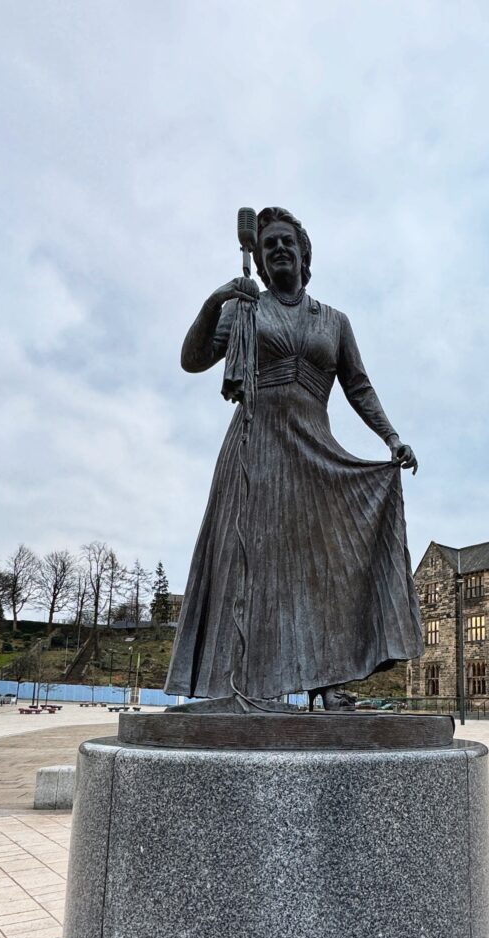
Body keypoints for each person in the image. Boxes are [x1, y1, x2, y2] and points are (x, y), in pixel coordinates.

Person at [165, 207, 422, 708]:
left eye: (287, 242)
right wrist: (215, 301)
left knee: (325, 567)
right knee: (247, 562)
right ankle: (234, 683)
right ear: (259, 261)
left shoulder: (334, 321)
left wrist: (391, 438)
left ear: (305, 256)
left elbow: (358, 386)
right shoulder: (245, 309)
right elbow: (191, 359)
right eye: (269, 246)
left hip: (315, 451)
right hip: (254, 446)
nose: (278, 249)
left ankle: (328, 684)